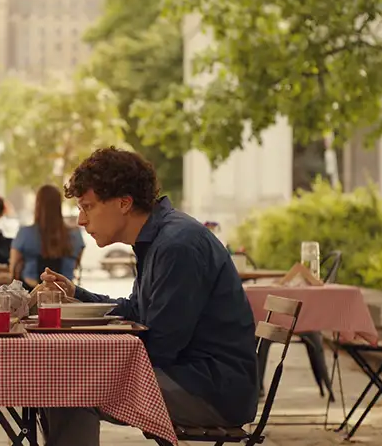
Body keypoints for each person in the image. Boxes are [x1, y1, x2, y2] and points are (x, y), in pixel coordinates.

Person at [38, 147, 258, 445]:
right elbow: (136, 311)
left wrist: (92, 359)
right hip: (193, 377)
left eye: (87, 207)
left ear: (124, 203)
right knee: (63, 381)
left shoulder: (177, 244)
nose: (80, 220)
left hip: (210, 390)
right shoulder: (159, 238)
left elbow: (162, 346)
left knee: (73, 387)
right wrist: (76, 293)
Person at [10, 185, 84, 290]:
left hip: (31, 294)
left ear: (37, 205)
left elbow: (14, 269)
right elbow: (76, 265)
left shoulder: (25, 234)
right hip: (66, 294)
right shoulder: (75, 235)